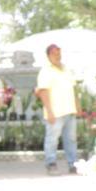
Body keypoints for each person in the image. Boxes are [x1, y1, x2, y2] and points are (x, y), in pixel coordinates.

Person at [34, 44, 77, 175]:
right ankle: (51, 163)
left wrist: (78, 107)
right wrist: (49, 111)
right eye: (54, 53)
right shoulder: (45, 71)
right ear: (48, 56)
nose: (57, 56)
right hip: (55, 111)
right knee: (52, 139)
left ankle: (73, 163)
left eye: (59, 53)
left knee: (71, 139)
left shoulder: (66, 69)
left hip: (70, 109)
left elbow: (74, 89)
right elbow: (43, 91)